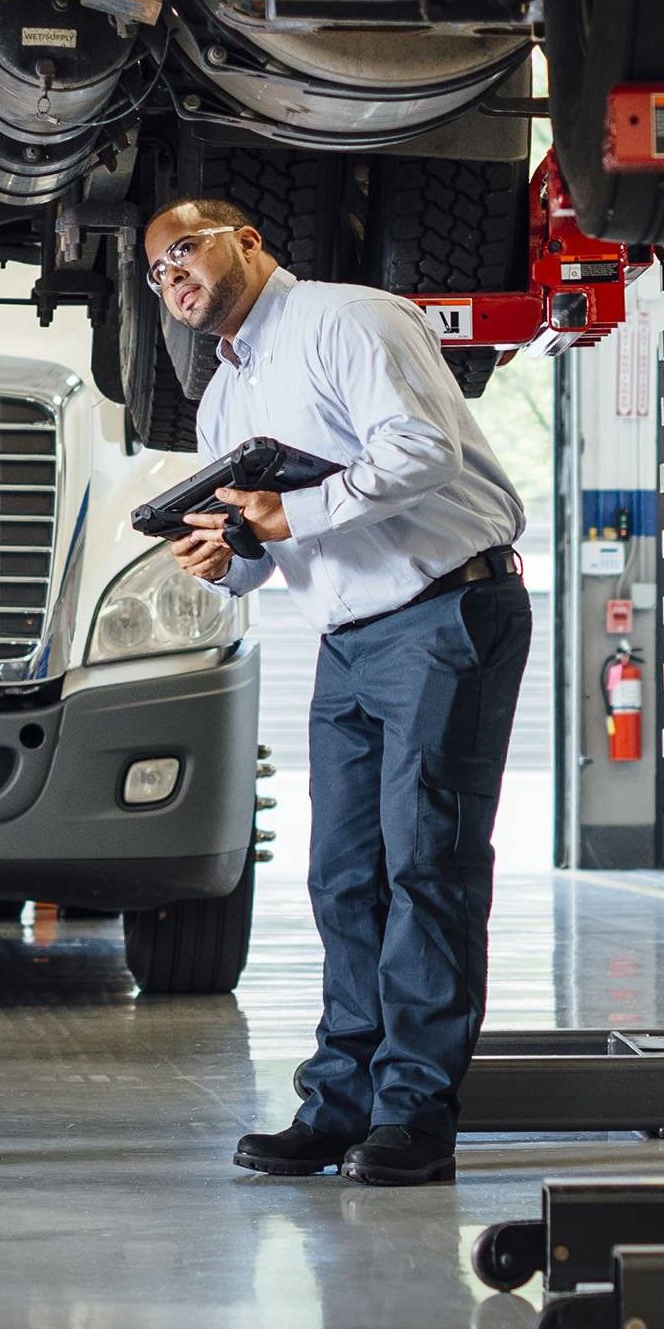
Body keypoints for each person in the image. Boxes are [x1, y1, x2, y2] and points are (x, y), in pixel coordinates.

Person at [148, 197, 528, 1186]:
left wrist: (291, 511)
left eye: (184, 248)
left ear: (247, 240)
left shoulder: (346, 320)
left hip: (445, 613)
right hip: (347, 642)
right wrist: (223, 555)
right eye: (155, 271)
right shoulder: (224, 399)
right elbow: (265, 551)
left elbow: (420, 451)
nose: (172, 275)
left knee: (426, 867)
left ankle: (415, 1115)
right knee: (342, 878)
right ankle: (339, 1102)